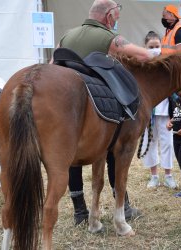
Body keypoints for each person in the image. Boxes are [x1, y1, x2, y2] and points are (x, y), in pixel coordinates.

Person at [55, 0, 151, 225]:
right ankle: (123, 206)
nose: (115, 22)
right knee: (113, 151)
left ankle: (80, 212)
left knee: (71, 158)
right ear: (109, 17)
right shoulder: (110, 37)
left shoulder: (66, 36)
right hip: (97, 102)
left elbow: (52, 64)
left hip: (63, 103)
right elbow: (144, 56)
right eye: (116, 18)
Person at [140, 31, 176, 189]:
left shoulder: (167, 64)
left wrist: (175, 112)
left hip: (165, 110)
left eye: (157, 46)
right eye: (151, 47)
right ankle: (154, 176)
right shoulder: (141, 65)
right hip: (148, 111)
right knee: (149, 143)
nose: (154, 49)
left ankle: (168, 175)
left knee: (167, 142)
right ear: (145, 47)